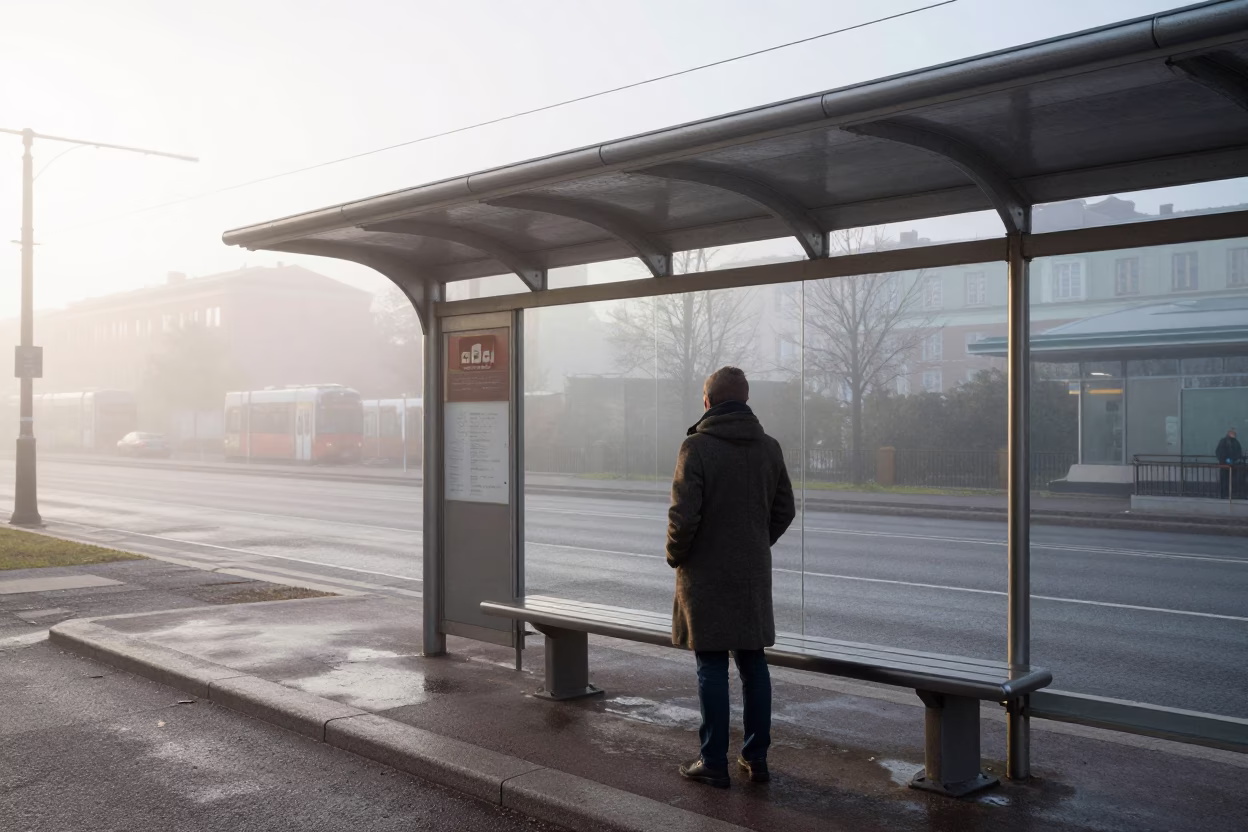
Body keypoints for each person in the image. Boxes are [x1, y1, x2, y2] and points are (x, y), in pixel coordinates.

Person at [666, 366, 795, 788]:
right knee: (753, 663)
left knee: (710, 665)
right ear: (745, 399)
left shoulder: (696, 447)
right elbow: (785, 509)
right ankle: (756, 758)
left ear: (707, 401)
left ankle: (713, 761)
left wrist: (675, 555)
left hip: (705, 575)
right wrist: (755, 543)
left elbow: (683, 517)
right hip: (751, 574)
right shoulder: (769, 447)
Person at [1215, 427, 1243, 499]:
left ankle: (1229, 494)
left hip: (1232, 465)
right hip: (1225, 465)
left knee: (1231, 481)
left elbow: (1239, 452)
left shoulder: (1235, 442)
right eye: (1232, 432)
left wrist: (1234, 460)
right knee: (1225, 480)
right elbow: (1219, 453)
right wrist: (1226, 460)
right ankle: (1224, 494)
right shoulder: (1224, 441)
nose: (1234, 434)